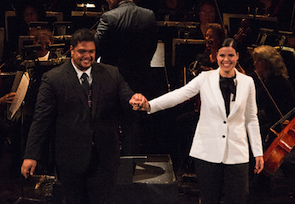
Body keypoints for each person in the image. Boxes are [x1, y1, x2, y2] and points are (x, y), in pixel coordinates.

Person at [20, 28, 148, 204]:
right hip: (70, 160)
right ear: (71, 50)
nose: (87, 56)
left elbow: (128, 97)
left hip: (105, 158)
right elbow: (41, 120)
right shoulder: (53, 79)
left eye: (91, 52)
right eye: (82, 51)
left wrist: (136, 99)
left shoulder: (111, 73)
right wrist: (31, 155)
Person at [131, 38, 264, 204]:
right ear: (216, 56)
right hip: (207, 151)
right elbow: (179, 95)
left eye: (231, 55)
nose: (226, 59)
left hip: (237, 153)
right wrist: (150, 105)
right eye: (222, 55)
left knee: (239, 198)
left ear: (237, 56)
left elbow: (251, 118)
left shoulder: (248, 82)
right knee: (209, 199)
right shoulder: (205, 78)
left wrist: (257, 151)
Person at [94, 0, 158, 155]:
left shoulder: (109, 17)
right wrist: (142, 63)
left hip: (111, 76)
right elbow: (153, 46)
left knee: (109, 119)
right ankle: (130, 165)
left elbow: (96, 47)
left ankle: (110, 162)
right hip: (139, 75)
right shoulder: (149, 15)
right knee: (132, 121)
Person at [250, 45, 295, 197]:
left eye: (258, 61)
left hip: (281, 124)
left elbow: (261, 104)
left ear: (268, 62)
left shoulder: (276, 82)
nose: (255, 64)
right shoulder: (266, 80)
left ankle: (259, 183)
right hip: (274, 122)